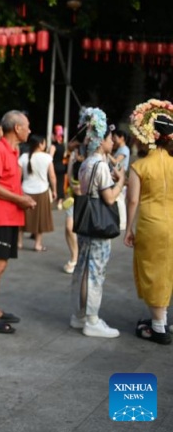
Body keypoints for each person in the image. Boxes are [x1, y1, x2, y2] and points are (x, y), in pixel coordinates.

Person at [0, 110, 36, 334]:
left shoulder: (12, 150)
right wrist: (19, 199)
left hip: (8, 215)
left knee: (1, 264)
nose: (30, 130)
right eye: (27, 126)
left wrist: (20, 200)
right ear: (17, 128)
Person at [69, 107, 125, 339]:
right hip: (99, 224)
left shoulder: (85, 163)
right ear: (100, 141)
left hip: (86, 222)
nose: (112, 141)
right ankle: (92, 319)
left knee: (83, 268)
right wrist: (120, 181)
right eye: (109, 138)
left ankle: (80, 314)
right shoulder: (100, 166)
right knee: (95, 271)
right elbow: (109, 198)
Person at [124, 101, 173, 345]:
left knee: (153, 271)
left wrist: (128, 229)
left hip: (151, 224)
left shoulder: (140, 165)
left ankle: (158, 326)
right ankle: (162, 321)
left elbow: (132, 200)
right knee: (168, 270)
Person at [17, 134, 56, 252]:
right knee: (40, 219)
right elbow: (52, 176)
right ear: (40, 144)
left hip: (25, 190)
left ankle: (19, 242)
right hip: (42, 190)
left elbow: (17, 177)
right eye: (44, 143)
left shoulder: (23, 157)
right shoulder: (47, 158)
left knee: (21, 218)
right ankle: (37, 244)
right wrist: (54, 190)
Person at [61, 135, 85, 274]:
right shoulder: (74, 155)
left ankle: (79, 258)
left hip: (87, 196)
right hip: (73, 195)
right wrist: (73, 185)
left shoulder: (95, 156)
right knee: (69, 227)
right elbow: (69, 174)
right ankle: (74, 257)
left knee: (82, 230)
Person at [109, 129, 131, 230]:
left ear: (121, 138)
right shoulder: (120, 149)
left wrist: (107, 154)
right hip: (117, 176)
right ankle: (121, 222)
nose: (113, 139)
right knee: (118, 199)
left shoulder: (124, 149)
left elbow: (117, 164)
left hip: (120, 177)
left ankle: (122, 223)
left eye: (115, 137)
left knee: (120, 199)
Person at [51, 124, 66, 209]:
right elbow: (63, 155)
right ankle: (60, 202)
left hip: (54, 167)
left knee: (54, 183)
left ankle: (54, 198)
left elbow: (50, 158)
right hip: (62, 167)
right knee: (61, 184)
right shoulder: (62, 146)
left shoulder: (53, 146)